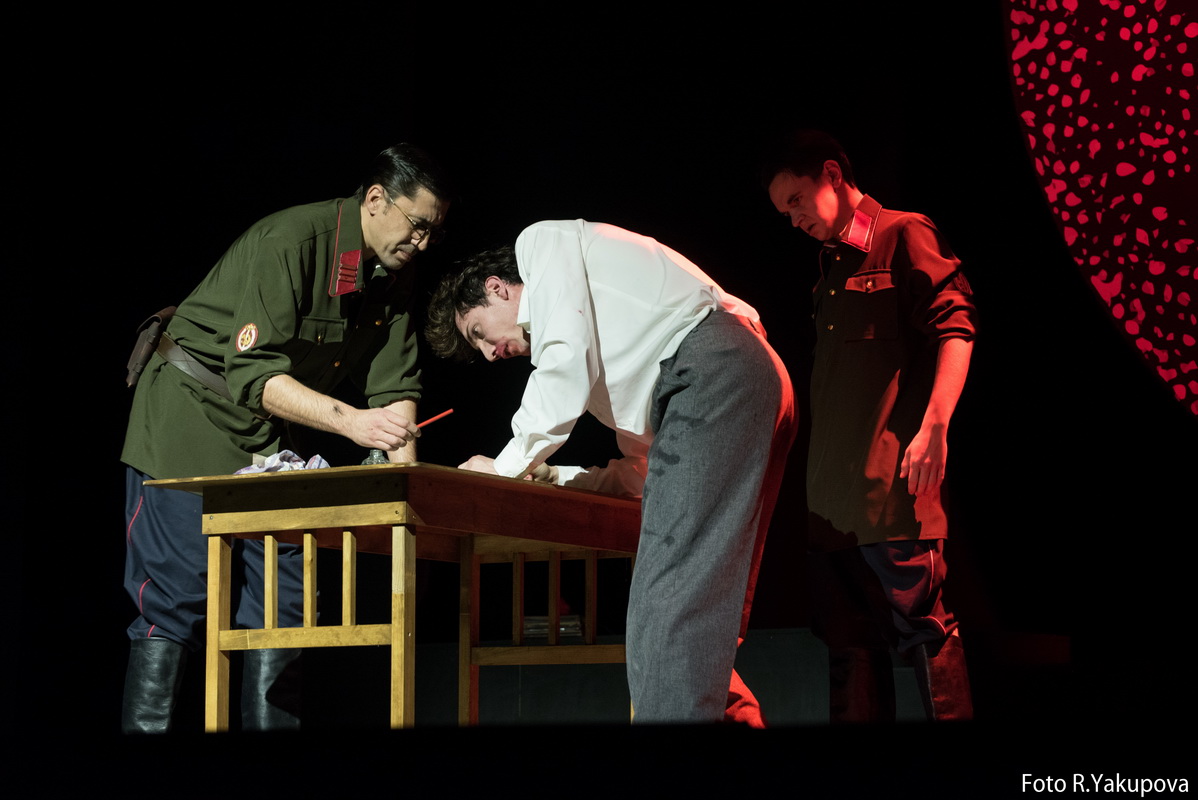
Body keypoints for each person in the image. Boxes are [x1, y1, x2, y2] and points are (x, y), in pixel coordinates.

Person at [120, 143, 452, 732]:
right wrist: (353, 423)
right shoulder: (292, 241)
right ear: (376, 199)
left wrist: (402, 492)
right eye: (417, 225)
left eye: (433, 231)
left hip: (272, 439)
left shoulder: (394, 272)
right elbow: (254, 375)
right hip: (192, 416)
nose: (422, 242)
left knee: (286, 601)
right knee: (176, 598)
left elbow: (396, 388)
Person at [425, 221, 796, 724]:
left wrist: (504, 469)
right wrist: (555, 477)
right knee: (702, 608)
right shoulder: (614, 349)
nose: (491, 353)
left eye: (478, 333)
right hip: (746, 377)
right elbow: (643, 475)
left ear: (497, 288)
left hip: (718, 371)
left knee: (668, 605)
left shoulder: (541, 244)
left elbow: (561, 368)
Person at [763, 130, 977, 721]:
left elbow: (956, 326)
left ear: (832, 174)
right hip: (830, 502)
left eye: (797, 200)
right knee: (849, 645)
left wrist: (936, 425)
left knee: (925, 628)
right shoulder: (829, 266)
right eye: (785, 213)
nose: (794, 219)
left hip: (893, 488)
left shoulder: (904, 233)